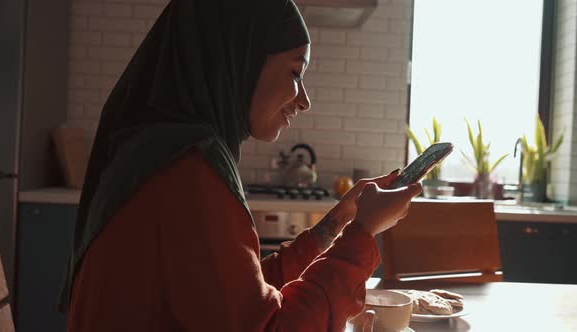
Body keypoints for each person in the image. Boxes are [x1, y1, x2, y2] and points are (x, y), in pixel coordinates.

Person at [59, 0, 422, 331]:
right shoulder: (187, 173)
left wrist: (339, 221)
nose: (304, 100)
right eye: (296, 73)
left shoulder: (161, 153)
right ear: (237, 60)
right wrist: (362, 233)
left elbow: (237, 297)